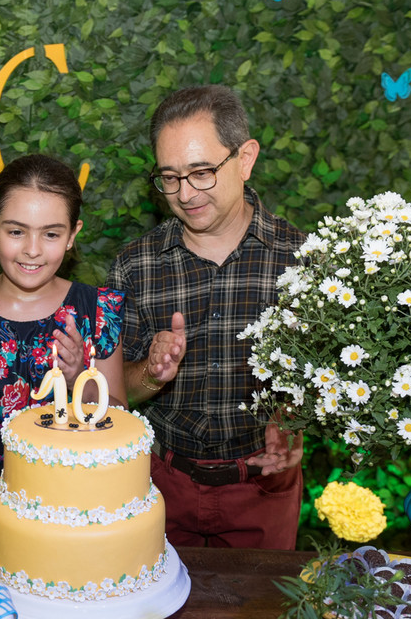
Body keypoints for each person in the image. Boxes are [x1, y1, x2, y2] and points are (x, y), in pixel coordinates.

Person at [106, 85, 306, 549]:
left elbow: (325, 381)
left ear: (246, 158)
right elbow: (119, 394)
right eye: (169, 177)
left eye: (201, 172)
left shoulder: (302, 260)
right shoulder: (134, 265)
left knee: (260, 617)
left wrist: (293, 423)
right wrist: (152, 373)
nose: (185, 193)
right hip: (158, 484)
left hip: (263, 485)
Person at [0, 155, 126, 538]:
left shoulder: (95, 313)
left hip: (68, 514)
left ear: (72, 234)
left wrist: (81, 376)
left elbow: (120, 420)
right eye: (17, 231)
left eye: (50, 234)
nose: (32, 250)